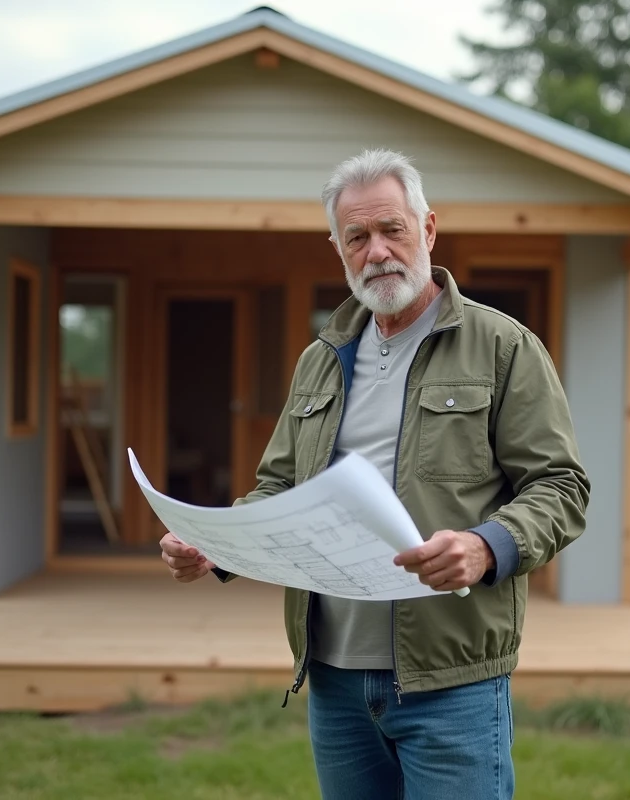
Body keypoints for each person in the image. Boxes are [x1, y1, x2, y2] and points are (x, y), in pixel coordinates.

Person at [160, 148, 590, 799]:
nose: (378, 251)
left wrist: (484, 547)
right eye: (357, 237)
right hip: (333, 680)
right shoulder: (321, 359)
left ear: (429, 230)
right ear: (338, 248)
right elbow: (280, 485)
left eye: (392, 229)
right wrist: (214, 547)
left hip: (453, 680)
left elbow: (561, 486)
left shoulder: (504, 347)